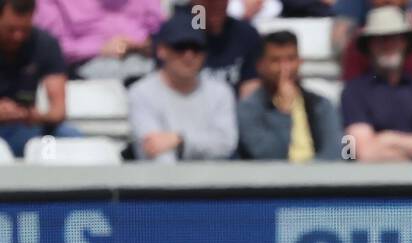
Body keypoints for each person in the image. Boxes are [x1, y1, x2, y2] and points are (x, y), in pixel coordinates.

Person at [340, 5, 412, 160]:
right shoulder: (354, 92)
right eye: (381, 39)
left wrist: (388, 139)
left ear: (405, 42)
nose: (388, 45)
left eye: (395, 38)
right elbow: (364, 152)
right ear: (370, 45)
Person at [128, 18, 238, 161]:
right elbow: (154, 147)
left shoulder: (221, 92)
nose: (189, 55)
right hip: (158, 180)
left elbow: (226, 144)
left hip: (216, 179)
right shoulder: (140, 93)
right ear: (162, 50)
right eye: (180, 47)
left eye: (196, 48)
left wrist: (180, 140)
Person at [238, 29, 343, 160]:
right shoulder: (249, 108)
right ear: (260, 66)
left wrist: (308, 176)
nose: (285, 68)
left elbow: (334, 152)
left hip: (317, 177)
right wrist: (284, 114)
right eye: (276, 61)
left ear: (300, 62)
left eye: (291, 59)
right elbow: (267, 155)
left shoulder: (320, 104)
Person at [0, 0, 75, 158]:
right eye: (10, 29)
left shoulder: (45, 44)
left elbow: (58, 111)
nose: (18, 36)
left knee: (73, 139)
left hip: (29, 127)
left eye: (24, 30)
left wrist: (34, 115)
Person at [341, 0, 412, 102]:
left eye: (396, 38)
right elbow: (352, 95)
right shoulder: (359, 39)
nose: (387, 1)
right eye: (381, 39)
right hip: (373, 120)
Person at [34, 0, 162, 81]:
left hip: (147, 61)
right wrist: (99, 49)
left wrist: (141, 45)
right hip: (85, 68)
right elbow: (51, 48)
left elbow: (161, 31)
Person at [160, 0, 263, 97]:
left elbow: (251, 83)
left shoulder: (246, 34)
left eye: (220, 0)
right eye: (208, 1)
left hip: (232, 110)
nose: (216, 6)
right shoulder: (175, 36)